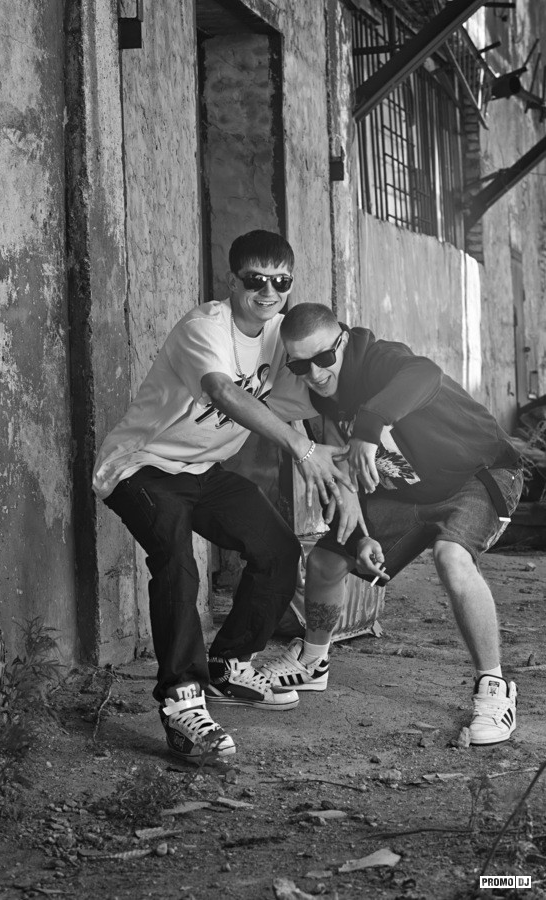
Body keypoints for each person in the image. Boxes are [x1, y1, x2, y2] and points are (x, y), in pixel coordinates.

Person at [92, 233, 354, 763]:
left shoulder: (283, 336)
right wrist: (303, 450)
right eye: (255, 280)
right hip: (140, 467)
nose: (268, 292)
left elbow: (326, 385)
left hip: (204, 472)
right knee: (176, 561)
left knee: (278, 549)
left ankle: (229, 663)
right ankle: (182, 702)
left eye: (280, 281)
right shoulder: (205, 327)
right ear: (233, 281)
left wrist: (356, 457)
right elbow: (223, 392)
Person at [258, 303, 523, 746]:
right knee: (325, 562)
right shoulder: (320, 397)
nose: (315, 374)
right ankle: (313, 661)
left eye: (323, 358)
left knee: (451, 557)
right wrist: (363, 537)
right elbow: (348, 477)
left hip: (480, 475)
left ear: (343, 341)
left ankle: (495, 688)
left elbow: (425, 374)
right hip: (409, 493)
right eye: (300, 365)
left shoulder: (379, 359)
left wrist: (368, 427)